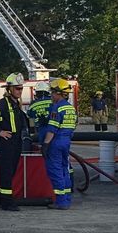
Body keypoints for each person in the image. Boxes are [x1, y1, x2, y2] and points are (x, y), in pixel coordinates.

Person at [0, 73, 29, 211]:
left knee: (11, 171)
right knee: (7, 172)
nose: (20, 91)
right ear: (9, 89)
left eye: (21, 88)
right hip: (6, 142)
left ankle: (1, 199)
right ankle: (8, 202)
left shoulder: (16, 104)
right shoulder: (3, 104)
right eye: (17, 88)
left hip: (15, 141)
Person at [42, 78, 77, 210]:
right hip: (67, 141)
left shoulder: (57, 108)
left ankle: (61, 202)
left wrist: (45, 144)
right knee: (64, 169)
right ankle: (67, 198)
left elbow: (52, 129)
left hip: (56, 142)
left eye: (52, 93)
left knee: (55, 170)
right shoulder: (71, 109)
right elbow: (73, 126)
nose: (51, 95)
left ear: (58, 93)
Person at [27, 81, 52, 148]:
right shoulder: (53, 102)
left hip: (40, 131)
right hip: (53, 130)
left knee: (43, 150)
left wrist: (32, 133)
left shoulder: (33, 104)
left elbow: (31, 120)